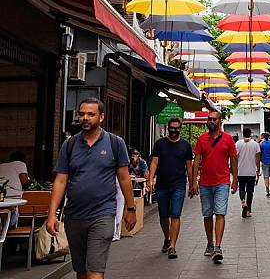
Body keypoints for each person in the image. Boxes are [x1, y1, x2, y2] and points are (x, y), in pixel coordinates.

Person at [47, 98, 136, 279]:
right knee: (80, 271)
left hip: (103, 214)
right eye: (81, 114)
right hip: (74, 216)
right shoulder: (70, 145)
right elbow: (61, 180)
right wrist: (51, 215)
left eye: (90, 114)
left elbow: (124, 177)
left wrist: (131, 208)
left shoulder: (115, 143)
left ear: (101, 117)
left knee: (94, 271)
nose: (85, 118)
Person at [190, 109, 238, 263]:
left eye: (214, 119)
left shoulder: (228, 139)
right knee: (207, 214)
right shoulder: (201, 139)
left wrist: (235, 179)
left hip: (222, 182)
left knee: (220, 213)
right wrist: (193, 182)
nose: (211, 121)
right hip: (204, 183)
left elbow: (234, 159)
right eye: (209, 119)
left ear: (220, 121)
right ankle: (209, 243)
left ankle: (217, 246)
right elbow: (196, 160)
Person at [148, 118, 193, 259]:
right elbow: (154, 162)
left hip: (179, 184)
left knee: (175, 214)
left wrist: (192, 184)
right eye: (171, 128)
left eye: (176, 128)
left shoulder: (185, 145)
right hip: (162, 184)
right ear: (168, 128)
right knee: (163, 215)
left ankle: (173, 245)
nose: (174, 131)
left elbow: (189, 166)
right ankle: (167, 238)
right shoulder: (160, 144)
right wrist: (150, 179)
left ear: (180, 128)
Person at [236, 128, 260, 218]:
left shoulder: (238, 143)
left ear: (243, 134)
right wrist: (258, 170)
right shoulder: (256, 144)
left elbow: (235, 157)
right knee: (250, 191)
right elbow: (257, 159)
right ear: (251, 134)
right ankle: (248, 210)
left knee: (241, 188)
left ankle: (243, 202)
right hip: (251, 171)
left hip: (240, 171)